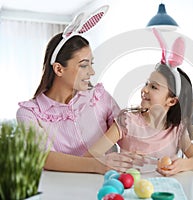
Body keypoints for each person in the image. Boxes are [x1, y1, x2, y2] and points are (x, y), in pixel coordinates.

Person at [16, 6, 137, 174]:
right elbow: (43, 157)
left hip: (108, 186)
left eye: (91, 64)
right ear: (59, 69)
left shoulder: (99, 97)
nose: (92, 72)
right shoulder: (29, 113)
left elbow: (128, 135)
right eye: (84, 65)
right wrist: (99, 165)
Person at [85, 29, 193, 176]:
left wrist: (181, 164)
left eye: (153, 87)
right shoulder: (127, 121)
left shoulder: (176, 130)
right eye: (147, 84)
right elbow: (91, 155)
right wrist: (116, 160)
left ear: (171, 101)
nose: (145, 90)